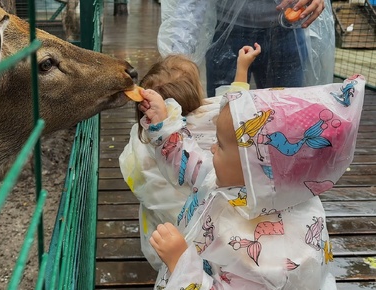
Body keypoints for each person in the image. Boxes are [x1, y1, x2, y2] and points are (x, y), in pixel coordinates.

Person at [138, 63, 366, 288]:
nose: (212, 149)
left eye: (221, 144)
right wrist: (164, 123)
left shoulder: (275, 259)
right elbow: (192, 164)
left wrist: (181, 265)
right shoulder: (241, 183)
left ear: (254, 167)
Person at [119, 46, 260, 270]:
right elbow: (237, 105)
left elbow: (144, 176)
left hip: (171, 233)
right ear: (197, 92)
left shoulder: (151, 140)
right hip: (220, 229)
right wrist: (242, 69)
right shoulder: (217, 120)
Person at [157, 0, 335, 97]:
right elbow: (191, 4)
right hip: (227, 31)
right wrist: (177, 55)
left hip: (288, 27)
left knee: (286, 117)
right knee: (225, 117)